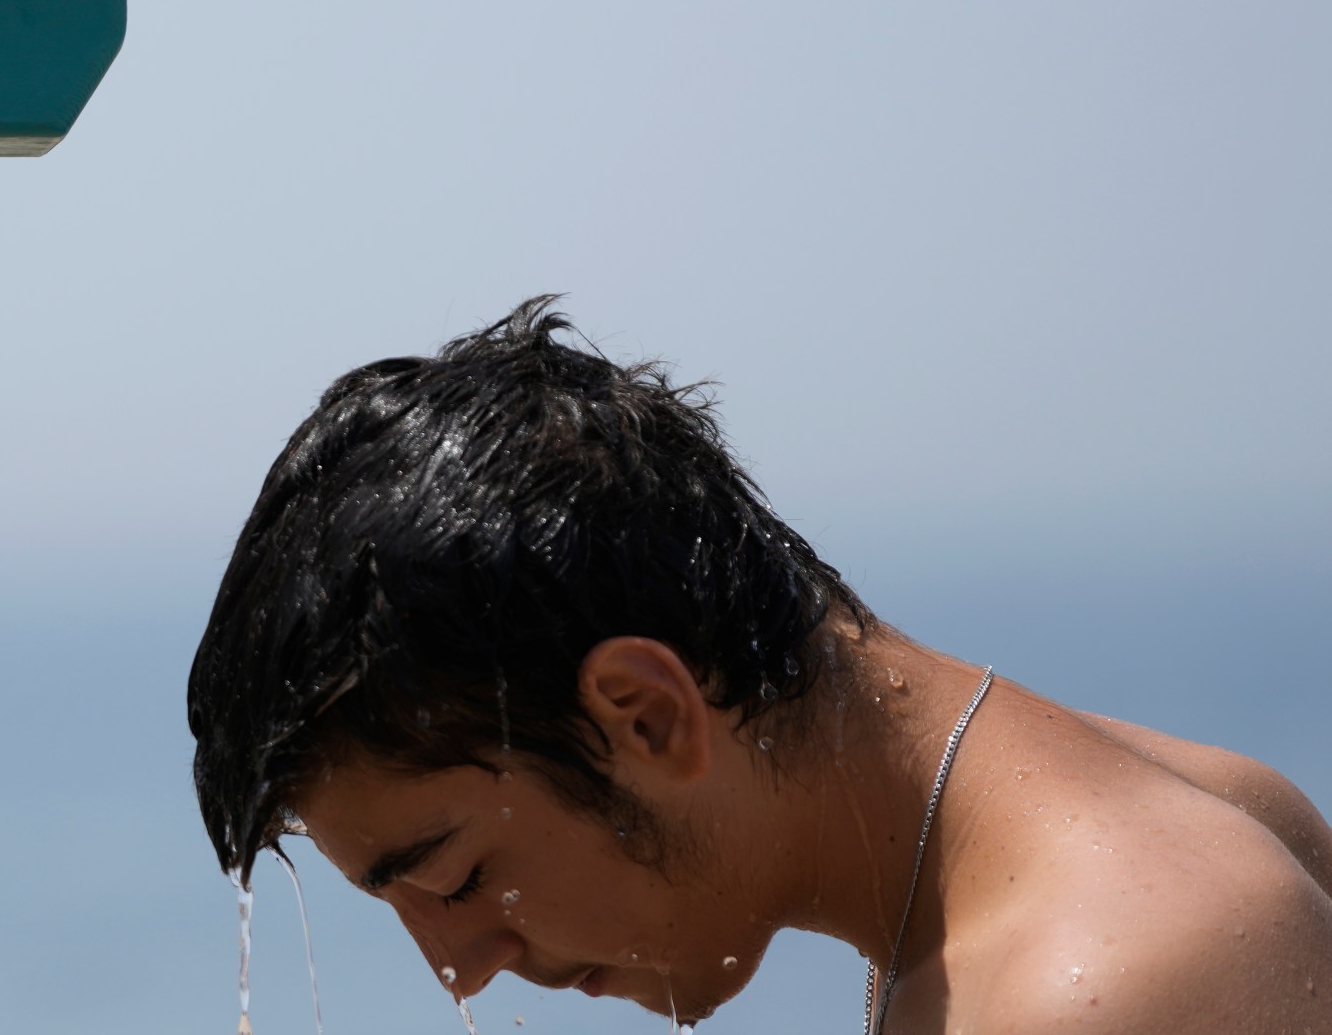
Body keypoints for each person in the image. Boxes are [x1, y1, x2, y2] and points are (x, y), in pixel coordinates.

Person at [185, 297, 1332, 1031]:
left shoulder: (1103, 986)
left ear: (642, 715)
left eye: (457, 879)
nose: (460, 970)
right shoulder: (1169, 826)